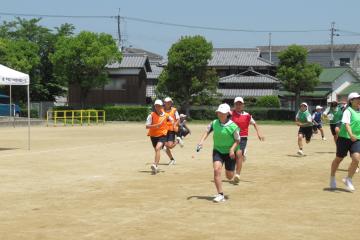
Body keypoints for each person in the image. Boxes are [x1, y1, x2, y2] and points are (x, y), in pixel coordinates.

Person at [197, 103, 240, 203]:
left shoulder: (233, 126)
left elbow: (238, 140)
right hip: (218, 151)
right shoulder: (214, 123)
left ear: (228, 114)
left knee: (229, 176)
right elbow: (207, 131)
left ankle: (231, 170)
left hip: (230, 153)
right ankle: (220, 194)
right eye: (219, 112)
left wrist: (232, 149)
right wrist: (201, 142)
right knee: (216, 170)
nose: (220, 114)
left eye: (223, 113)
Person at [330, 92, 360, 191]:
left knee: (356, 159)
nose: (359, 100)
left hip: (356, 139)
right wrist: (351, 135)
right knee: (339, 159)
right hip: (344, 138)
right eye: (357, 98)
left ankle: (349, 179)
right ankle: (332, 177)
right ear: (351, 101)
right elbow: (346, 124)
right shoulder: (348, 111)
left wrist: (354, 136)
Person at [231, 97, 264, 183]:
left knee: (239, 155)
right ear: (234, 105)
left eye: (240, 104)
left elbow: (254, 124)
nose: (238, 106)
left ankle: (237, 174)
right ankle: (243, 155)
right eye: (236, 104)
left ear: (243, 105)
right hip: (232, 138)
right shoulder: (230, 114)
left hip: (243, 138)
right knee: (233, 156)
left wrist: (259, 133)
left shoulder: (247, 115)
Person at [146, 99, 174, 174]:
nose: (157, 107)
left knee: (158, 148)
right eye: (156, 106)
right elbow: (147, 126)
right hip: (153, 135)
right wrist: (156, 125)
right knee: (156, 150)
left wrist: (172, 122)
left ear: (162, 106)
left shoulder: (165, 115)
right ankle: (156, 167)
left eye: (159, 106)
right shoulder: (151, 115)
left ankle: (155, 165)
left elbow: (171, 119)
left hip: (162, 135)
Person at [163, 97, 181, 165]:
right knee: (165, 146)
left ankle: (178, 140)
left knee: (170, 146)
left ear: (171, 103)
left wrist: (175, 125)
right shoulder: (162, 110)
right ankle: (172, 159)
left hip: (171, 130)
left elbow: (178, 119)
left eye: (169, 102)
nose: (167, 103)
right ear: (164, 103)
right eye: (166, 102)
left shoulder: (174, 110)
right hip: (163, 130)